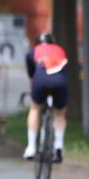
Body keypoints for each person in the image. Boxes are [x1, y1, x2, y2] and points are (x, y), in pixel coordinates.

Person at [24, 32, 69, 163]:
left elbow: (32, 76)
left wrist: (34, 93)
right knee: (59, 114)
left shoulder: (33, 52)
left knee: (35, 109)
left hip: (40, 80)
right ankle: (59, 147)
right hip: (61, 81)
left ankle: (31, 147)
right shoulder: (60, 50)